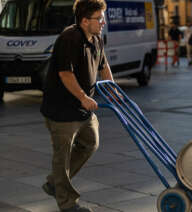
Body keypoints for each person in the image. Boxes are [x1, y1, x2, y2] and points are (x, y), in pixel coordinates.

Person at [40, 0, 115, 211]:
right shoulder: (69, 38)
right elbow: (65, 73)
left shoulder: (97, 38)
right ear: (84, 21)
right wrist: (83, 97)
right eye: (99, 18)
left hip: (83, 109)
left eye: (103, 18)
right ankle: (67, 203)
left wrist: (113, 90)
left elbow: (103, 66)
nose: (103, 22)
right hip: (62, 109)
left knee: (90, 143)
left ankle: (55, 183)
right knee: (62, 157)